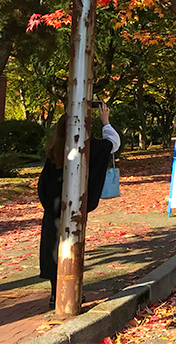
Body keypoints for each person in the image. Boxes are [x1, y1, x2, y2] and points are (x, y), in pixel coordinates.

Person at [38, 103, 121, 308]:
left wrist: (49, 205)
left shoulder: (54, 150)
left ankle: (55, 293)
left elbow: (42, 185)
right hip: (75, 208)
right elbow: (114, 143)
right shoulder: (90, 148)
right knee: (72, 248)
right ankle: (70, 293)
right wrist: (105, 121)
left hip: (53, 209)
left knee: (53, 249)